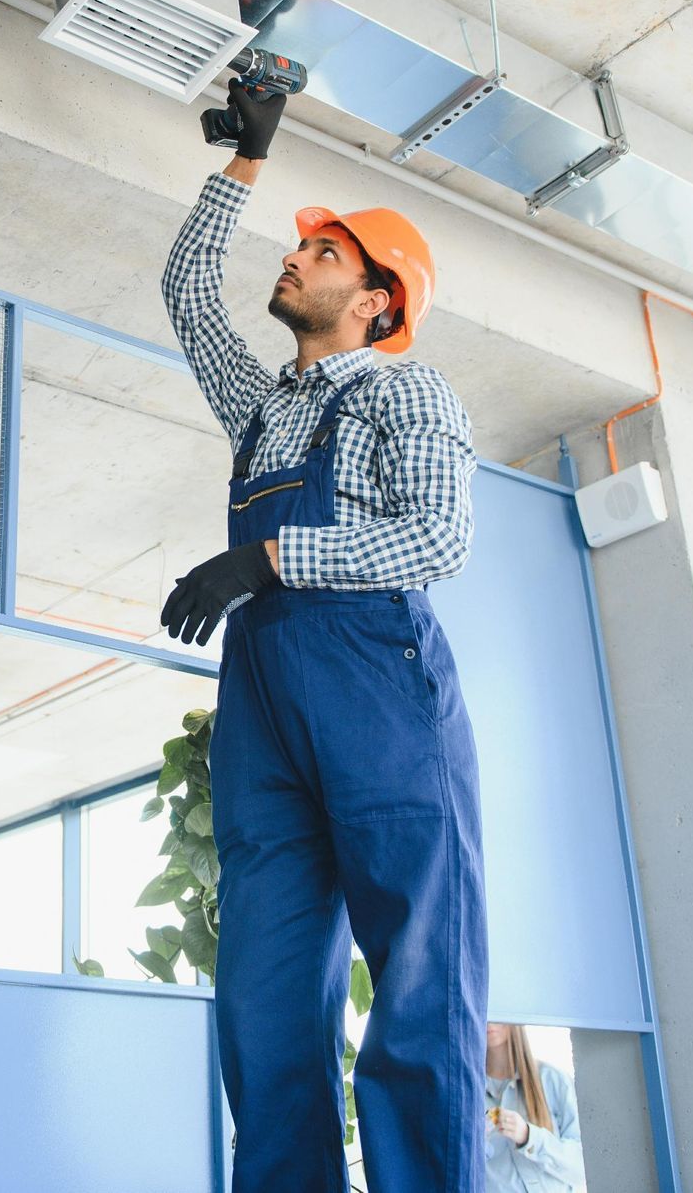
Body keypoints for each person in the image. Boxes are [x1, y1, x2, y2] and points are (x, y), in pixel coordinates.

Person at [159, 79, 486, 1192]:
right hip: (265, 701)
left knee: (418, 979)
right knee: (264, 991)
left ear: (378, 304)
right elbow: (188, 291)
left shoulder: (411, 395)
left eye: (328, 255)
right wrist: (244, 163)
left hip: (378, 692)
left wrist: (269, 559)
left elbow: (439, 536)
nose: (296, 260)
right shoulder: (263, 407)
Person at [485, 1023, 588, 1191]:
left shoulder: (553, 1080)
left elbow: (582, 1169)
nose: (490, 1022)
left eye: (496, 1012)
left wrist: (529, 1136)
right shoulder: (464, 1093)